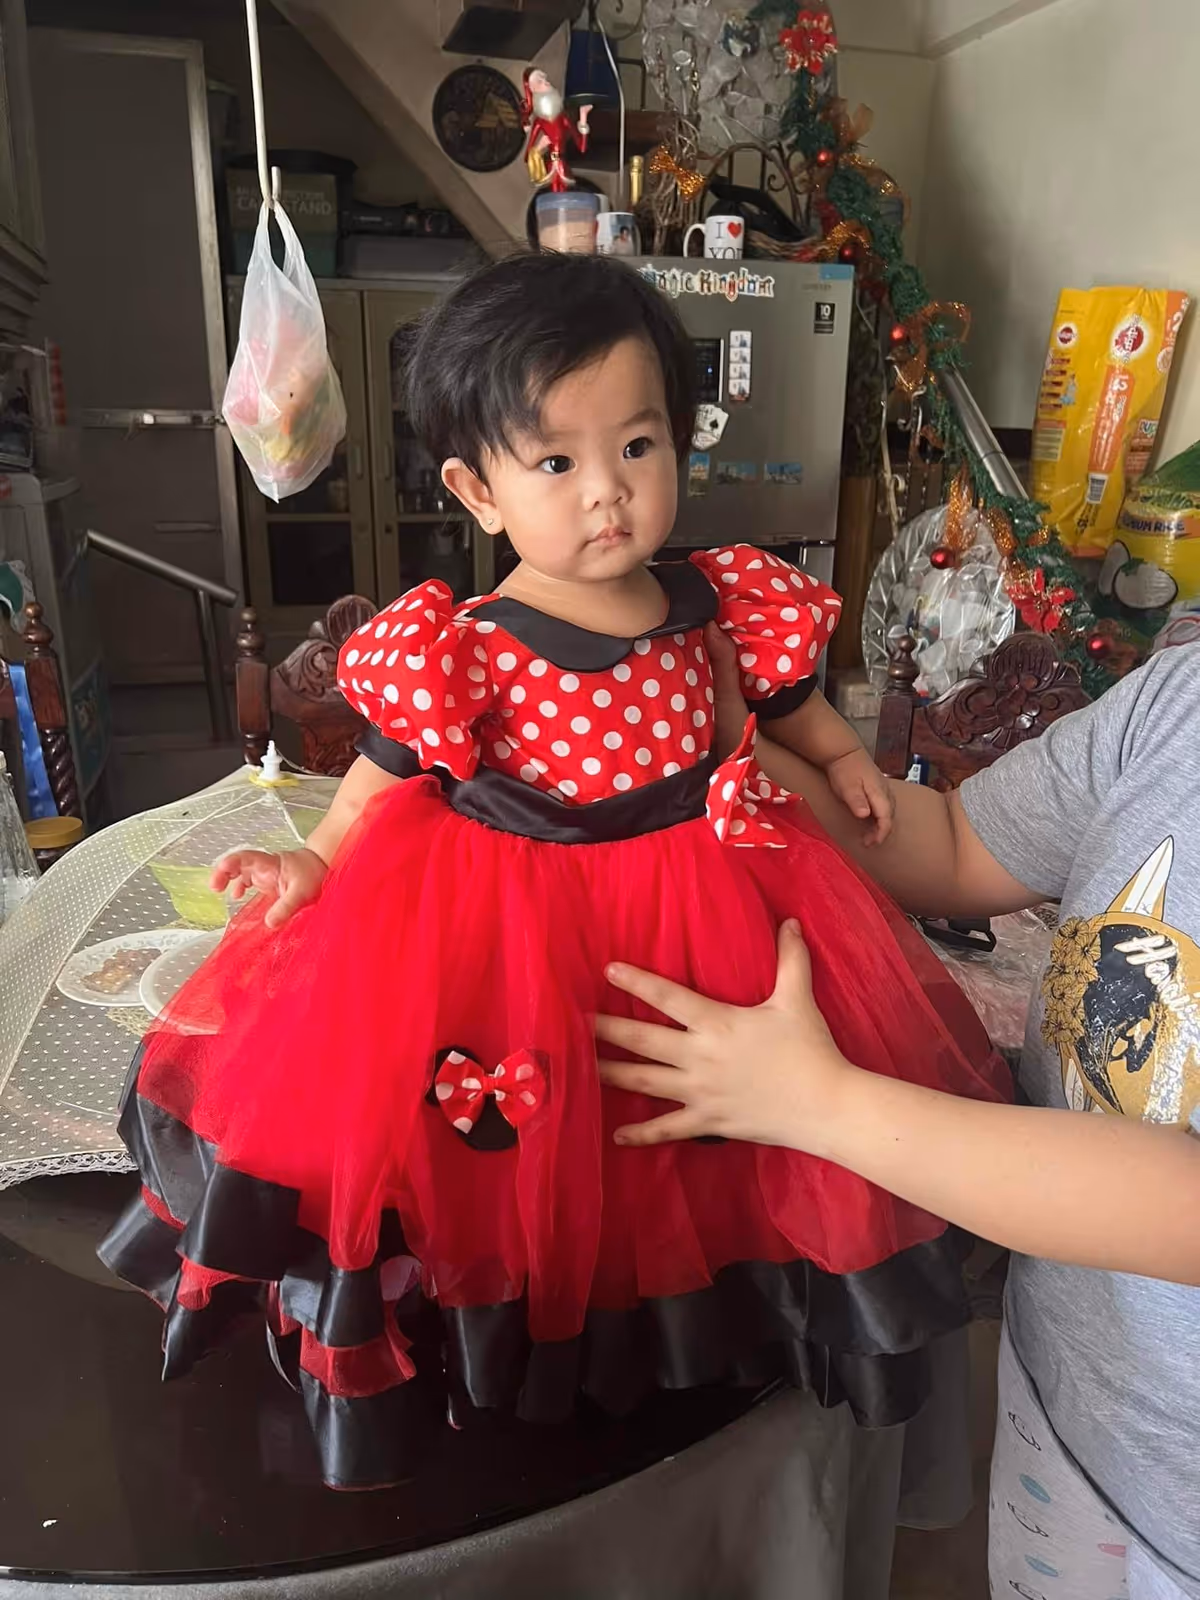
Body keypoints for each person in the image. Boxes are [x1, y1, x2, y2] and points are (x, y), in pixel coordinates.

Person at [99, 252, 1008, 1491]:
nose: (609, 496)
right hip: (510, 916)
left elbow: (790, 711)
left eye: (638, 447)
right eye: (558, 463)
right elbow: (384, 778)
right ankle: (516, 1336)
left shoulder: (717, 600)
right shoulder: (458, 646)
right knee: (517, 1140)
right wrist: (312, 860)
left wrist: (847, 763)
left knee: (691, 1123)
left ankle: (710, 1327)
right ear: (477, 490)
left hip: (709, 896)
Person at [598, 634, 1200, 1600]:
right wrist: (732, 743)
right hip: (1070, 1400)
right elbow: (958, 847)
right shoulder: (1176, 700)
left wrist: (819, 1102)